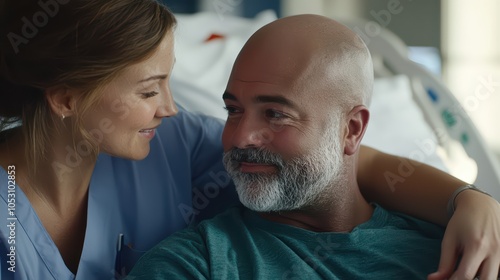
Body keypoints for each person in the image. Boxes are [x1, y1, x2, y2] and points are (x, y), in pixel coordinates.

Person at [0, 0, 498, 279]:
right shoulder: (196, 262)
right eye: (150, 90)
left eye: (171, 82)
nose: (171, 107)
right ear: (65, 100)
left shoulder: (171, 145)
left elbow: (338, 162)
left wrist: (469, 201)